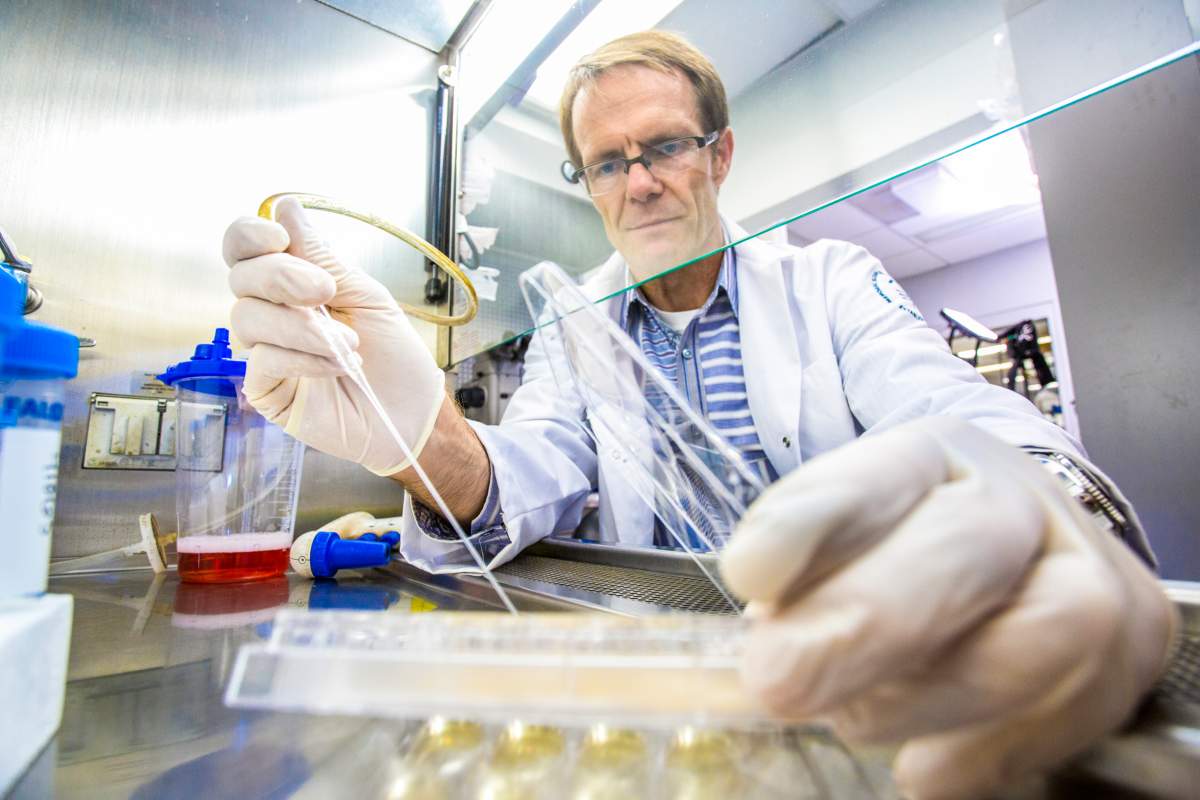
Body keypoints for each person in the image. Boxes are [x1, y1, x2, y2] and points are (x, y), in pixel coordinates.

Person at [221, 31, 1176, 800]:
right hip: (666, 683)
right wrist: (419, 438)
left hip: (863, 666)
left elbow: (954, 411)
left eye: (664, 147)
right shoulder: (573, 319)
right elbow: (538, 470)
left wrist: (1048, 505)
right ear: (588, 186)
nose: (638, 183)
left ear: (718, 153)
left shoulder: (829, 281)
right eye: (605, 164)